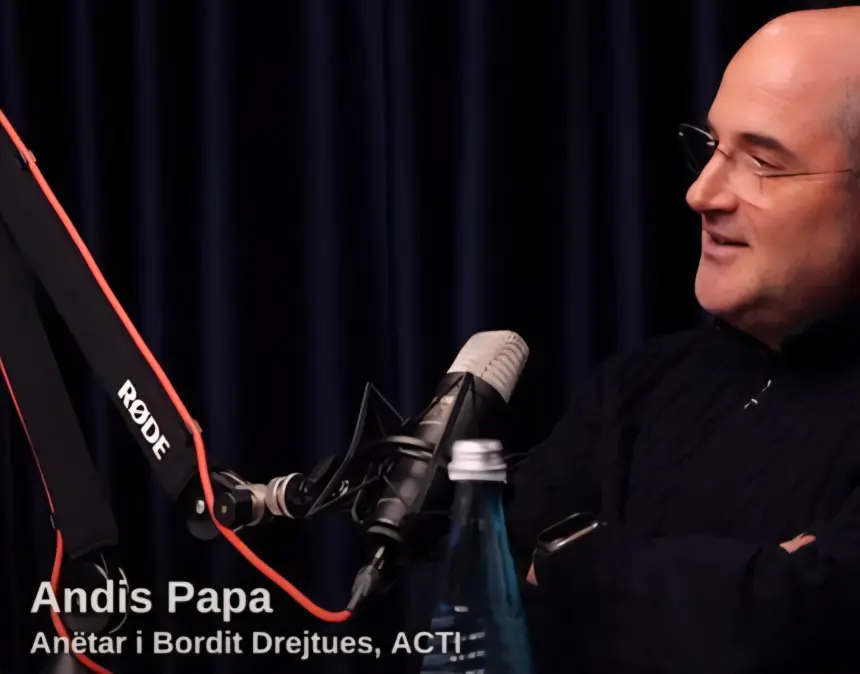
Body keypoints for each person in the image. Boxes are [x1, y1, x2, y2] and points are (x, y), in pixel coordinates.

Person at [505, 7, 860, 674]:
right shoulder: (635, 390)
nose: (701, 193)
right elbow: (470, 600)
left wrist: (570, 566)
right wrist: (750, 583)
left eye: (761, 162)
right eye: (712, 146)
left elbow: (805, 626)